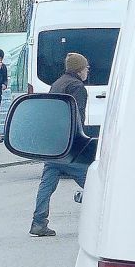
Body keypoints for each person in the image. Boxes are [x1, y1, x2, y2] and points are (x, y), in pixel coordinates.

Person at [30, 53, 90, 237]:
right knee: (92, 182)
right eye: (86, 68)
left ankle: (38, 222)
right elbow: (77, 116)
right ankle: (103, 218)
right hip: (68, 145)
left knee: (47, 184)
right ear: (80, 69)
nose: (88, 71)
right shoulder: (78, 87)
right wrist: (81, 142)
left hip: (53, 144)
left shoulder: (57, 84)